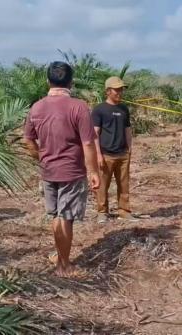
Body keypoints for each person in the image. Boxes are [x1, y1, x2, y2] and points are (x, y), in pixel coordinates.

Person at [23, 61, 100, 277]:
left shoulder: (36, 107)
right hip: (71, 172)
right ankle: (64, 266)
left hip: (48, 172)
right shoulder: (79, 107)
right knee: (66, 218)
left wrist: (42, 158)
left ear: (48, 81)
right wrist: (94, 172)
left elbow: (27, 140)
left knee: (56, 216)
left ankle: (60, 256)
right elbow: (87, 143)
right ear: (71, 82)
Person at [92, 76, 138, 223]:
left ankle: (124, 211)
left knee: (124, 184)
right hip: (106, 155)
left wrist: (129, 149)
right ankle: (102, 212)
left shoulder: (124, 109)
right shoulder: (99, 110)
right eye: (116, 89)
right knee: (102, 186)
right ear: (108, 91)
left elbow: (128, 130)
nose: (120, 92)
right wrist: (98, 155)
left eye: (121, 89)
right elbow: (95, 134)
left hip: (123, 154)